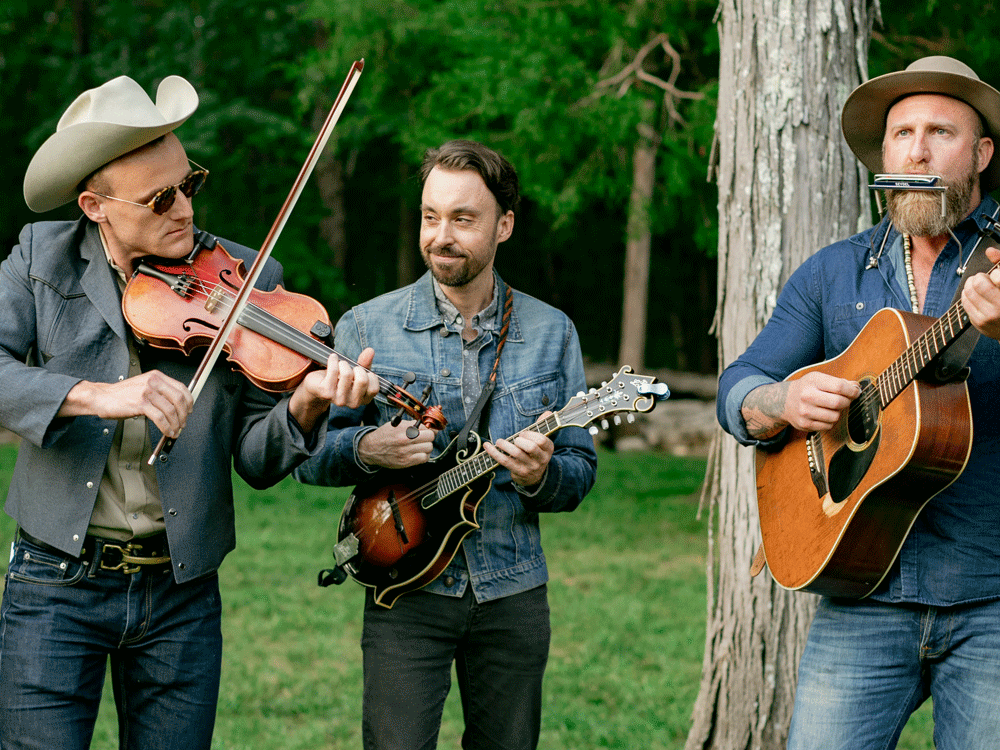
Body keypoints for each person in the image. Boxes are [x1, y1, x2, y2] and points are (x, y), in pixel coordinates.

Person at [0, 74, 379, 750]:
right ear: (95, 205)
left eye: (189, 184)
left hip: (180, 594)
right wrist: (99, 396)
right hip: (55, 581)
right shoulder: (38, 259)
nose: (184, 211)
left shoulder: (245, 277)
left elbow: (257, 461)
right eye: (159, 198)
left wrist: (305, 403)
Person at [718, 56, 1000, 748]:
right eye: (902, 133)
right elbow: (739, 386)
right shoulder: (834, 272)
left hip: (992, 596)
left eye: (941, 132)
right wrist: (781, 398)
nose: (919, 149)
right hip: (863, 591)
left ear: (983, 153)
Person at [294, 139, 598, 749]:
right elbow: (309, 460)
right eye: (432, 216)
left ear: (504, 225)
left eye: (463, 219)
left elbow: (580, 472)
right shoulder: (365, 326)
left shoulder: (550, 332)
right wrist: (365, 450)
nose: (441, 235)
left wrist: (542, 476)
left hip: (512, 590)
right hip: (404, 588)